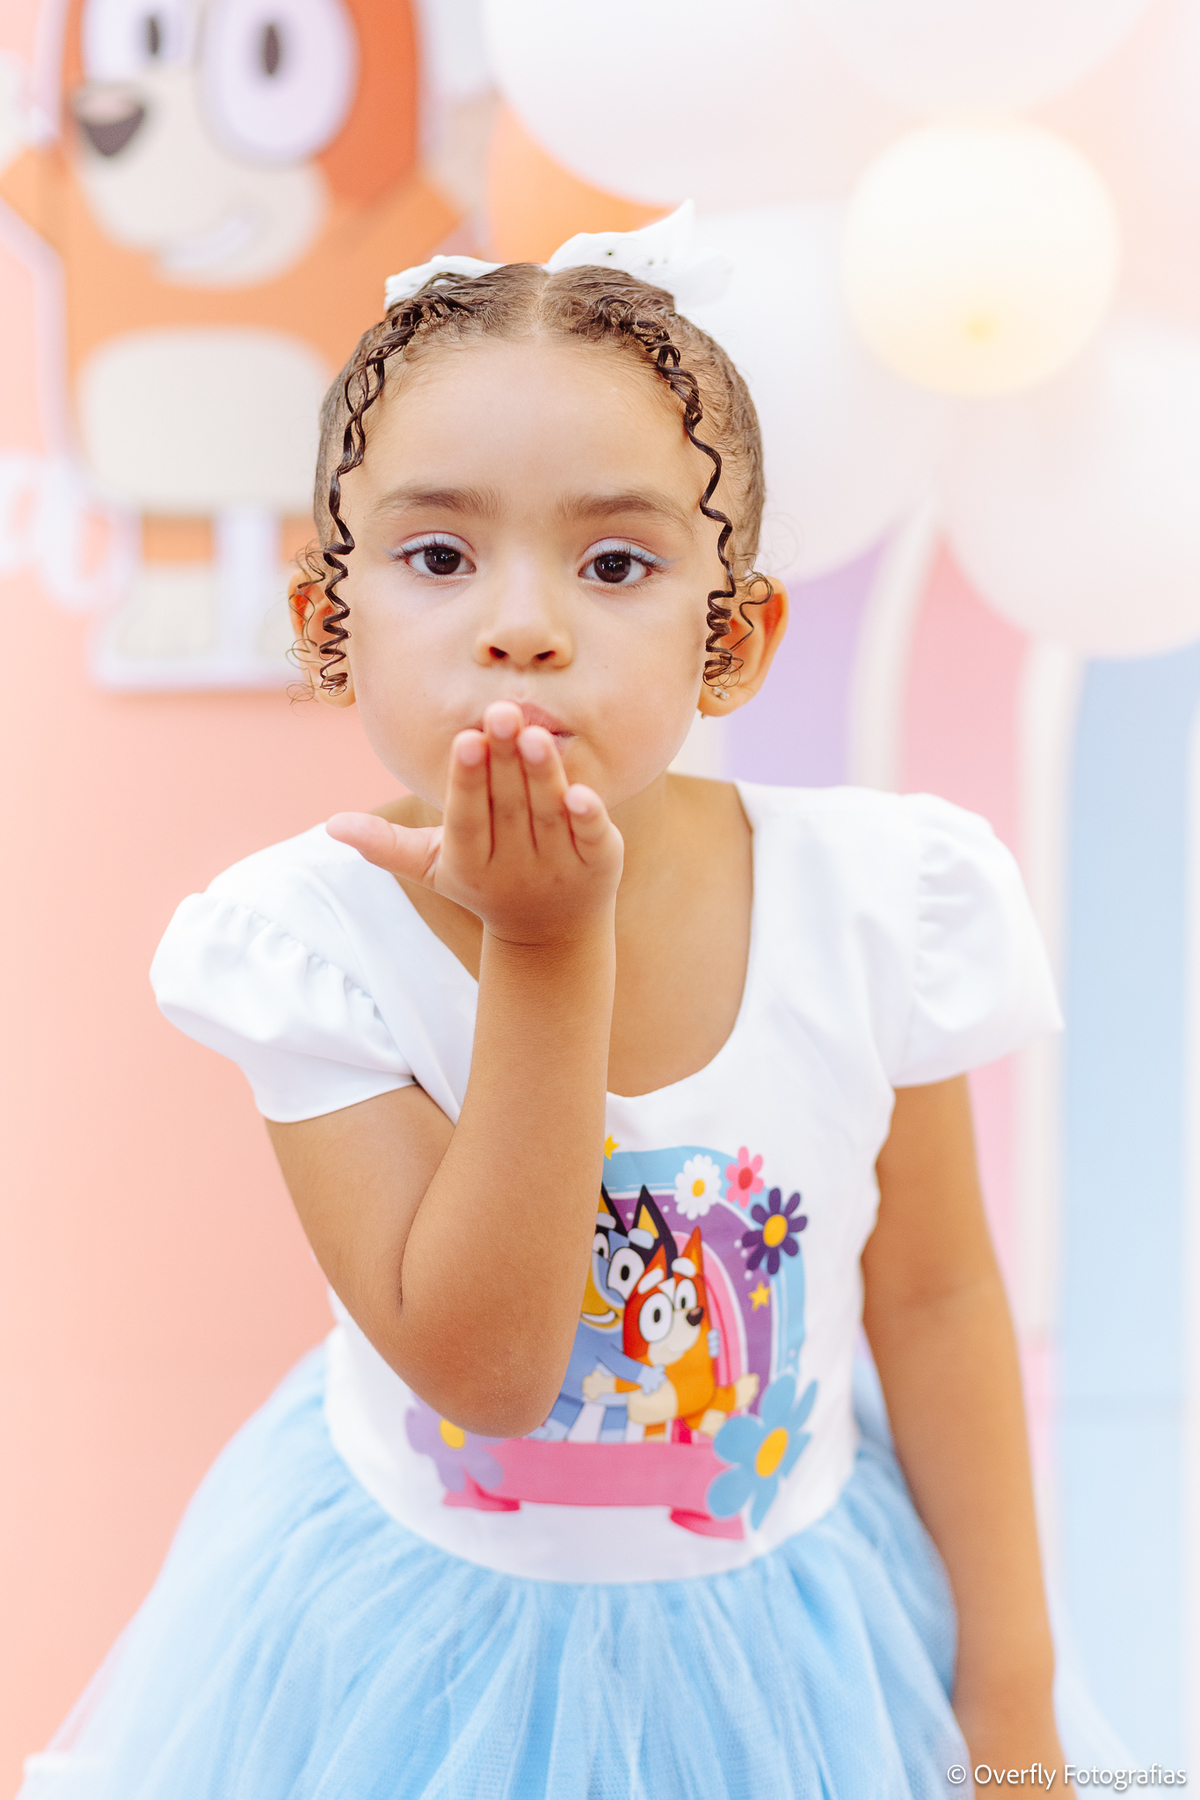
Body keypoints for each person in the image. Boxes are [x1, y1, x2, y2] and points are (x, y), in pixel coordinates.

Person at [22, 208, 1118, 1800]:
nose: (521, 621)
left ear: (729, 639)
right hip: (411, 1647)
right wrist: (545, 953)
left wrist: (1011, 1698)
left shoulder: (881, 905)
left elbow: (937, 1296)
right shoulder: (310, 942)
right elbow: (487, 1368)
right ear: (330, 628)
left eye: (615, 563)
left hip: (790, 1629)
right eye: (438, 555)